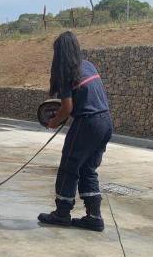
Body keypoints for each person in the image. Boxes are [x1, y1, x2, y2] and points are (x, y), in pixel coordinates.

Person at [38, 31, 113, 232]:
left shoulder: (65, 73)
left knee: (68, 167)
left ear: (59, 54)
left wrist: (53, 123)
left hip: (87, 123)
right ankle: (94, 217)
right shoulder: (88, 66)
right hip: (105, 122)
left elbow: (67, 108)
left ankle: (62, 214)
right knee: (88, 169)